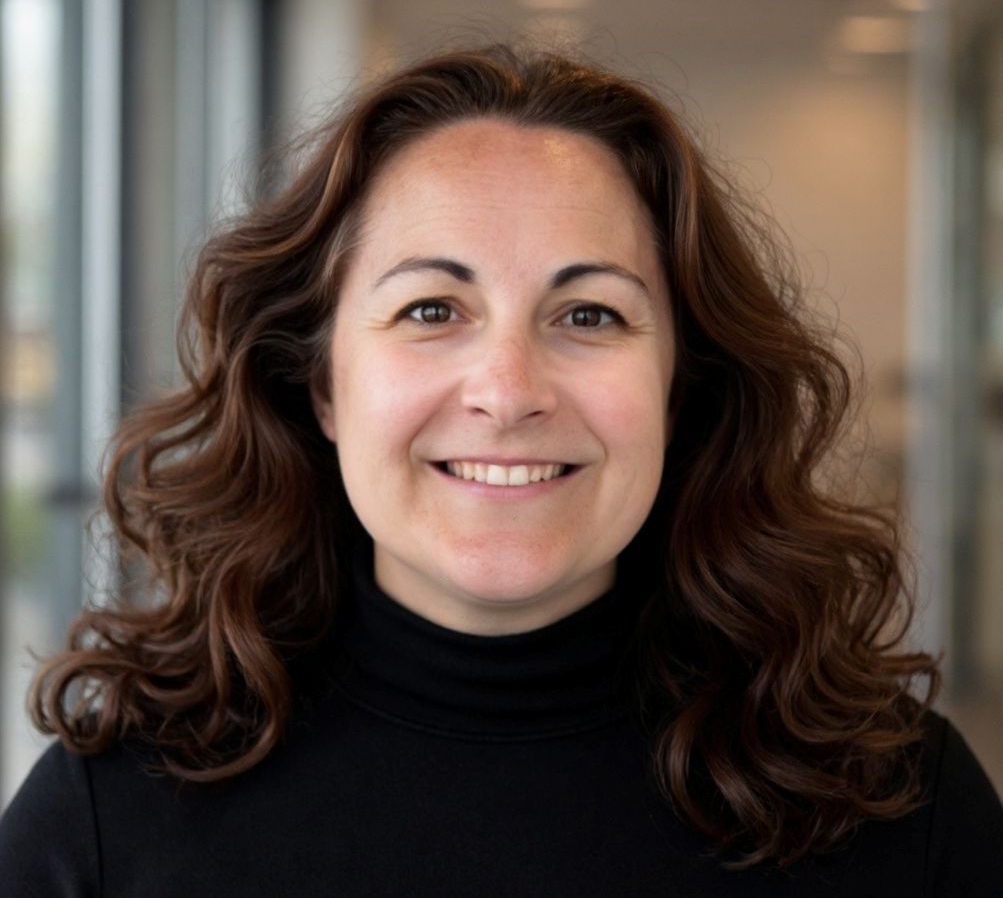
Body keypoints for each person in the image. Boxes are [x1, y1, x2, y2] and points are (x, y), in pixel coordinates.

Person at [1, 43, 1002, 896]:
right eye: (431, 309)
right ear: (323, 389)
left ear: (677, 388)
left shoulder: (896, 805)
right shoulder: (108, 816)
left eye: (589, 314)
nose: (509, 389)